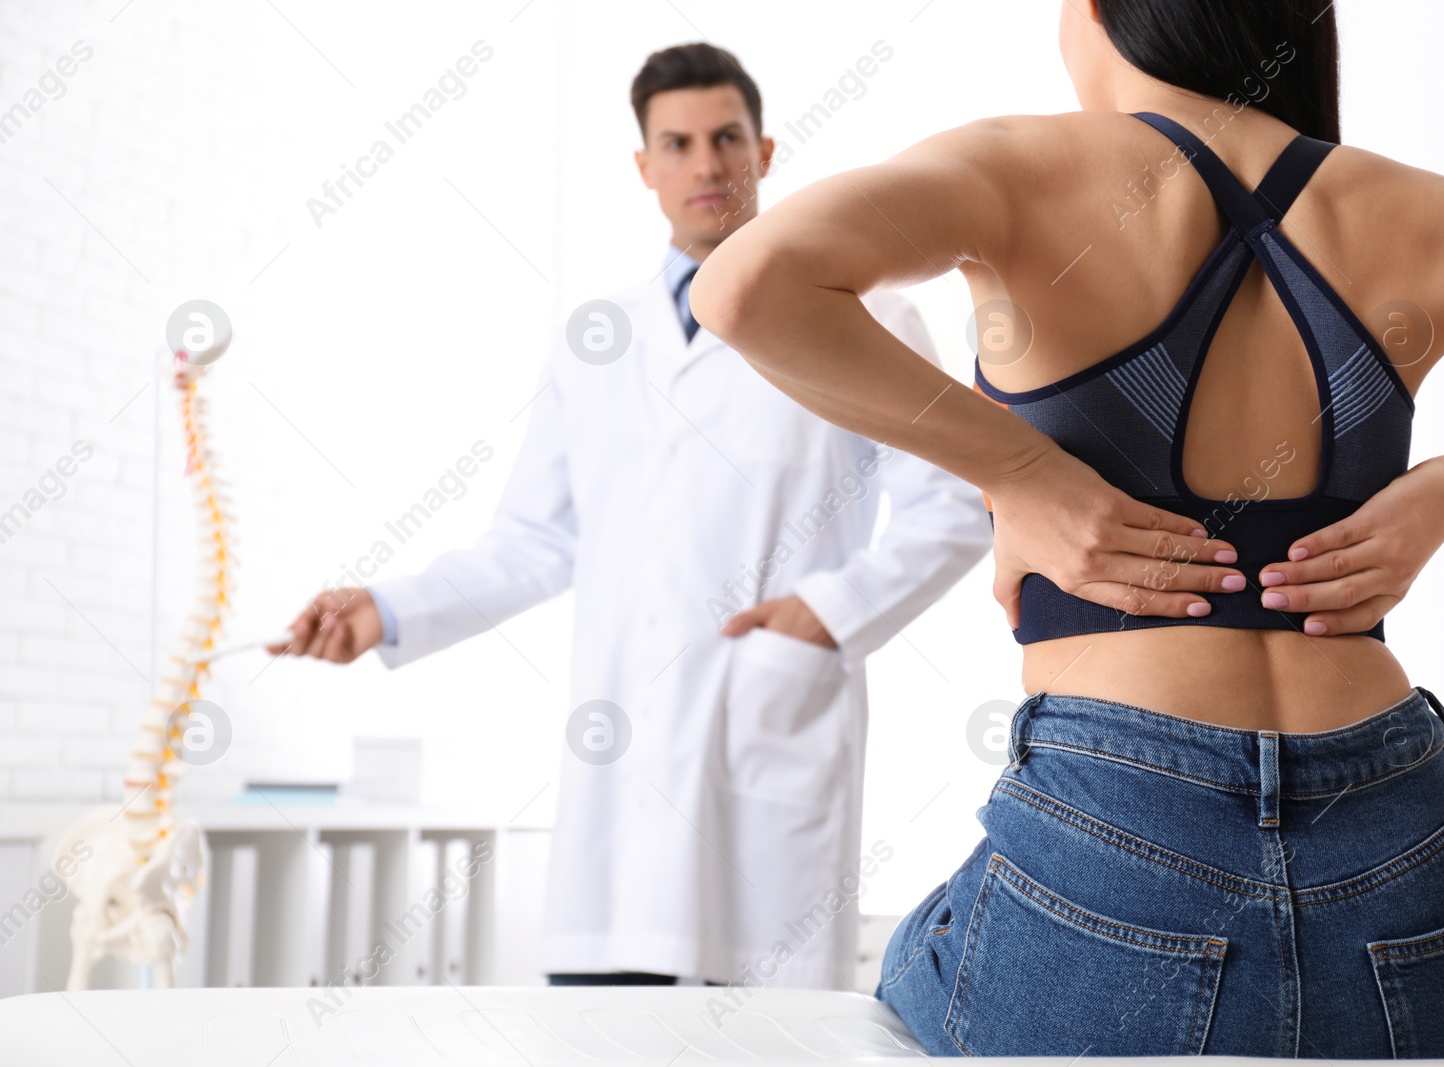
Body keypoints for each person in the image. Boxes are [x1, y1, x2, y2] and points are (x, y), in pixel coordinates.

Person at [691, 0, 1444, 1055]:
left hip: (1120, 832)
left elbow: (747, 282)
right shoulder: (1411, 209)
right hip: (1414, 877)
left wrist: (1022, 470)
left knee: (912, 958)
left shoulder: (1018, 164)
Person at [271, 42, 993, 989]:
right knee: (604, 1025)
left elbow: (954, 499)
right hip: (619, 803)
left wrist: (830, 611)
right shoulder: (595, 344)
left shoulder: (869, 317)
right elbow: (536, 539)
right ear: (644, 167)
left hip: (765, 734)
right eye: (679, 143)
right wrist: (388, 608)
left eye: (727, 137)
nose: (707, 164)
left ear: (766, 152)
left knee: (764, 1041)